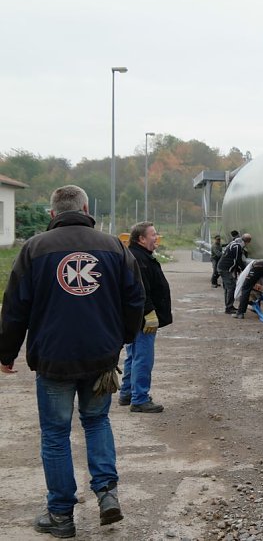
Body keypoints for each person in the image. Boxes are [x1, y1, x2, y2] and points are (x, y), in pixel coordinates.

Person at [0, 185, 145, 537]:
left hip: (53, 359)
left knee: (55, 435)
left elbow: (15, 307)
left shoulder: (34, 249)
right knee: (97, 423)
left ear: (53, 214)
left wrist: (6, 353)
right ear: (85, 207)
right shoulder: (113, 246)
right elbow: (136, 299)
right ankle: (107, 494)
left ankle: (61, 516)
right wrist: (121, 339)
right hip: (101, 357)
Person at [118, 221, 173, 414]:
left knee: (133, 354)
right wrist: (149, 312)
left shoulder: (138, 256)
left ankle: (127, 393)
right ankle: (139, 399)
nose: (156, 237)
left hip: (136, 316)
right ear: (141, 239)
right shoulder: (139, 259)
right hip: (143, 317)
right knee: (143, 357)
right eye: (153, 234)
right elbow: (141, 290)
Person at [217, 233, 251, 314]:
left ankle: (228, 306)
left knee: (227, 288)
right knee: (231, 287)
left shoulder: (233, 243)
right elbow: (237, 260)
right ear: (247, 242)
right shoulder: (237, 247)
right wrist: (244, 270)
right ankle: (229, 308)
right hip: (225, 269)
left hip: (222, 267)